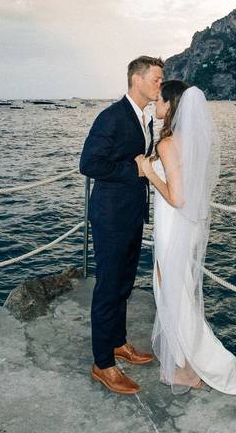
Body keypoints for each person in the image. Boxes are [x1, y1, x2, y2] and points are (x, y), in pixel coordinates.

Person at [139, 80, 236, 394]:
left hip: (173, 223)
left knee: (171, 292)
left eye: (159, 101)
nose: (155, 105)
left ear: (171, 105)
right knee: (178, 291)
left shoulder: (167, 143)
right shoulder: (190, 141)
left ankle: (188, 370)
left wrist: (150, 174)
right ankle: (185, 362)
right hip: (185, 227)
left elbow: (177, 197)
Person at [79, 56, 163, 394]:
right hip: (111, 217)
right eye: (157, 78)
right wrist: (136, 170)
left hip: (131, 215)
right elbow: (89, 163)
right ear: (137, 79)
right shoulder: (112, 116)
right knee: (108, 288)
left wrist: (149, 163)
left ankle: (118, 342)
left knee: (124, 285)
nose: (160, 84)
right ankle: (103, 364)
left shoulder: (144, 118)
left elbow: (133, 157)